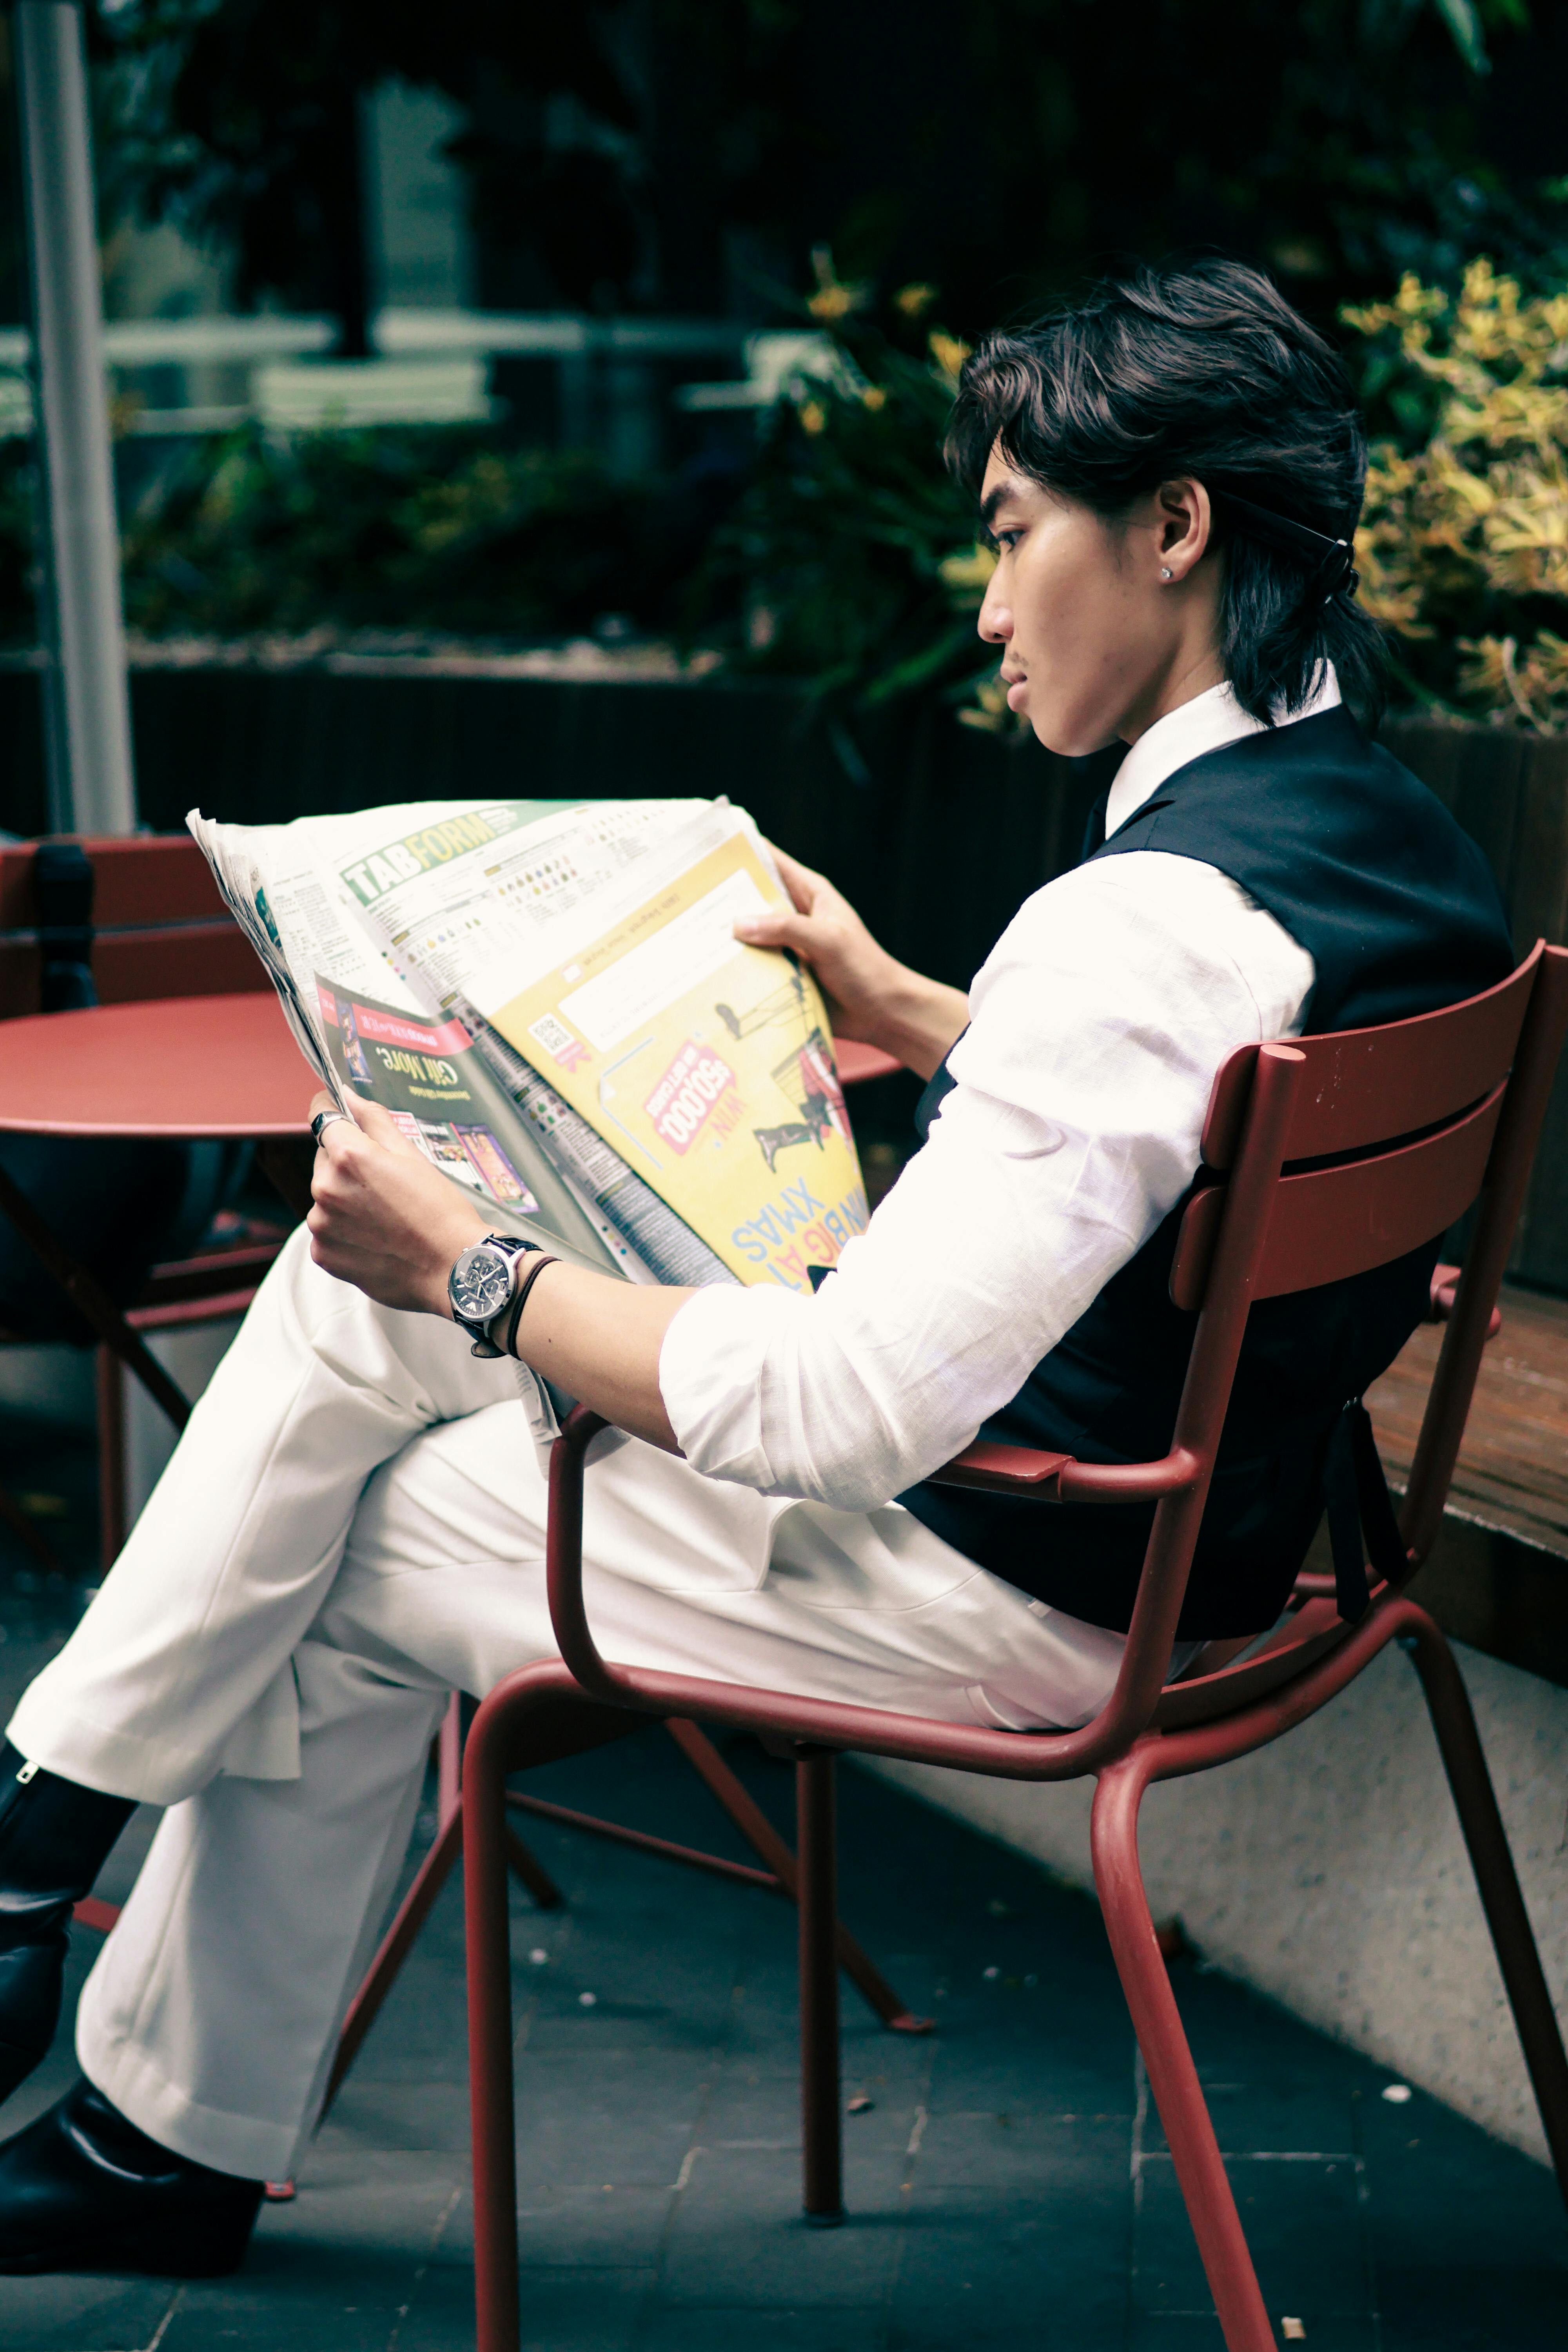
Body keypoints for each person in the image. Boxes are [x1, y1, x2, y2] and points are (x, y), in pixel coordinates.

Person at [0, 259, 1513, 2278]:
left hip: (1026, 1580)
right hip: (1222, 1529)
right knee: (348, 1307)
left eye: (1006, 538)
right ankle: (40, 1857)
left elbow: (839, 1411)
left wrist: (478, 1268)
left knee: (360, 1526)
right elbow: (1173, 1112)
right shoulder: (1392, 845)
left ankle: (137, 2102)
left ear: (1172, 530)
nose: (979, 609)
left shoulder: (1141, 922)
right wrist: (921, 1008)